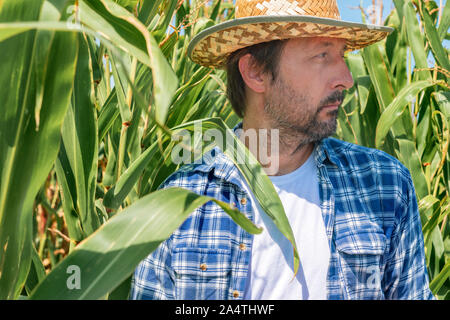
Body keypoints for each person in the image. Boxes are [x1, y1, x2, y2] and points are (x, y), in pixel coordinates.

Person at [130, 0, 434, 300]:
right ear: (256, 73)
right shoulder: (180, 204)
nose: (346, 79)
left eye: (341, 55)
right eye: (322, 55)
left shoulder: (383, 185)